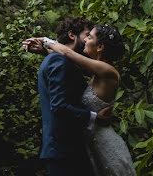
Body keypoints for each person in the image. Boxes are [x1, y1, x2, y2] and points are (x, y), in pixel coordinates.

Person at [37, 23, 136, 176]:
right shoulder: (97, 71)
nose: (85, 40)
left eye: (90, 37)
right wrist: (46, 52)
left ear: (100, 47)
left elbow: (68, 54)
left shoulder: (108, 70)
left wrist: (45, 40)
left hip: (103, 142)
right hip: (89, 144)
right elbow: (69, 65)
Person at [22, 17, 105, 176]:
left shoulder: (59, 61)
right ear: (72, 35)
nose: (88, 39)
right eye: (87, 35)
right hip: (63, 151)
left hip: (66, 151)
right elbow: (59, 106)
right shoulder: (58, 61)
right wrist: (95, 117)